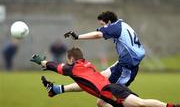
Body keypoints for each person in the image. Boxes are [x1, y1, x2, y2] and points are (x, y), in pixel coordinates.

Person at [30, 47, 179, 107]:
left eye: (68, 60)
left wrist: (41, 61)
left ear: (71, 59)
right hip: (109, 92)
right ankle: (56, 89)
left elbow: (55, 66)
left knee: (140, 104)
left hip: (111, 90)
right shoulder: (87, 65)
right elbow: (84, 84)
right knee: (101, 103)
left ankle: (169, 106)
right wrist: (57, 89)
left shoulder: (74, 68)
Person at [63, 11, 146, 107]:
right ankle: (59, 89)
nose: (102, 27)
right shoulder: (122, 24)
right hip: (123, 64)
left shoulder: (115, 27)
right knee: (97, 78)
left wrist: (77, 37)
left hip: (126, 67)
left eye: (103, 24)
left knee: (103, 101)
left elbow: (97, 34)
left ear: (109, 22)